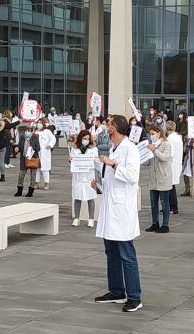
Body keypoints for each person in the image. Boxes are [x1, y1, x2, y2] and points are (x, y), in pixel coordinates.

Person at [93, 115, 143, 313]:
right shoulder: (115, 148)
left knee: (126, 253)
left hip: (122, 210)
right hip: (110, 207)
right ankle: (116, 290)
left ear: (117, 128)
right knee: (111, 252)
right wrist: (98, 182)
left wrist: (113, 164)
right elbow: (113, 181)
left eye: (110, 127)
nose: (107, 131)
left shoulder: (130, 149)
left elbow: (132, 176)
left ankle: (134, 296)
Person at [144, 125, 173, 233]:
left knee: (164, 203)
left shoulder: (166, 144)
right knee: (153, 203)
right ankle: (154, 223)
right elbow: (148, 162)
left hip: (163, 177)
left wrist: (154, 150)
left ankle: (165, 224)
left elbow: (165, 158)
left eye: (153, 134)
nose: (151, 136)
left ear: (159, 133)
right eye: (150, 134)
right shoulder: (152, 145)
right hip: (153, 178)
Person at [70, 130, 97, 227]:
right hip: (78, 176)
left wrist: (93, 161)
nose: (86, 140)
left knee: (91, 198)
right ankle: (77, 218)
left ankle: (91, 219)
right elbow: (72, 161)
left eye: (88, 139)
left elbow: (96, 161)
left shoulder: (93, 149)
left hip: (89, 176)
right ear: (80, 138)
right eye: (84, 139)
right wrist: (70, 160)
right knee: (77, 198)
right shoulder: (74, 148)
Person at [13, 124, 40, 198]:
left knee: (33, 175)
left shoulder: (35, 137)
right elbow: (19, 145)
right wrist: (17, 148)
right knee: (21, 174)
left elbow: (38, 148)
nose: (28, 131)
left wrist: (32, 148)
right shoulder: (22, 137)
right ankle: (19, 190)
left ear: (32, 131)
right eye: (27, 130)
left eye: (30, 130)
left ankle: (31, 191)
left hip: (32, 158)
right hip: (24, 158)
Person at [165, 120, 183, 215]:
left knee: (170, 187)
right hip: (177, 163)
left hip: (172, 164)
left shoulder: (170, 139)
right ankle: (170, 206)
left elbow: (170, 153)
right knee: (171, 186)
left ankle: (173, 207)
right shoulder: (177, 137)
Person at [35, 119, 56, 190]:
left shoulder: (47, 131)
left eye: (40, 123)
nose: (39, 124)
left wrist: (50, 145)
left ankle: (46, 183)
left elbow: (53, 139)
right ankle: (36, 183)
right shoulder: (35, 132)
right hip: (36, 152)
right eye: (38, 123)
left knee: (45, 169)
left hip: (45, 152)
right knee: (37, 169)